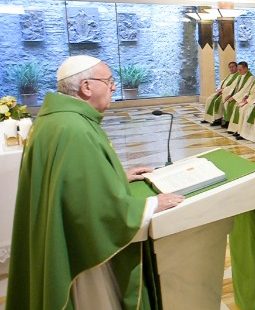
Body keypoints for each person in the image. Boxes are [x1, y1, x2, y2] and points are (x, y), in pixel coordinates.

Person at [7, 55, 183, 309]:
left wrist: (114, 176)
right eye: (109, 81)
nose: (114, 87)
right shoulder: (73, 129)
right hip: (83, 258)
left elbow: (70, 182)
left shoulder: (58, 120)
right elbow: (94, 211)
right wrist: (151, 205)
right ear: (86, 87)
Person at [228, 64, 255, 134]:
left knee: (243, 109)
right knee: (238, 107)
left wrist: (249, 100)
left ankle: (242, 132)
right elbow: (250, 90)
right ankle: (237, 129)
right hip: (250, 98)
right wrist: (246, 96)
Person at [221, 61, 254, 128]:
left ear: (246, 69)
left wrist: (233, 97)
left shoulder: (251, 78)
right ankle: (228, 120)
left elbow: (244, 90)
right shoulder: (240, 76)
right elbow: (233, 86)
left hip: (242, 96)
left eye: (240, 69)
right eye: (238, 69)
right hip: (237, 95)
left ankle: (236, 126)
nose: (238, 71)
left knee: (235, 106)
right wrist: (229, 95)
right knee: (226, 102)